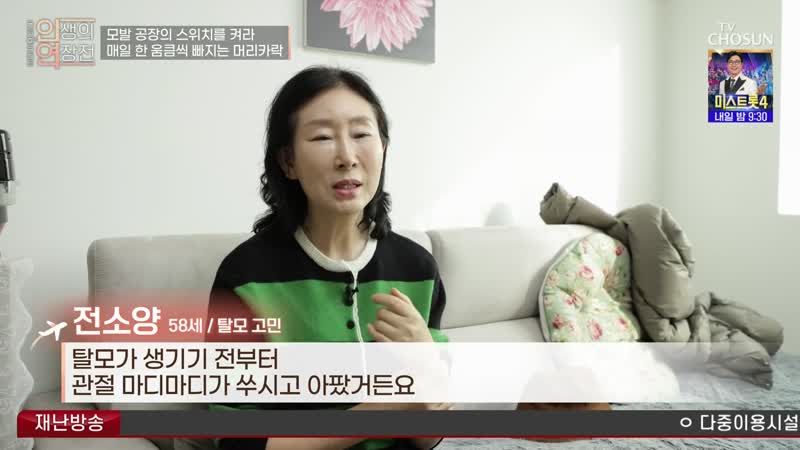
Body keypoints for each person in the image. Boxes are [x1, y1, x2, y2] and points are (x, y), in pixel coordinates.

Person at [205, 66, 450, 450]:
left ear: (383, 148)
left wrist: (427, 365)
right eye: (322, 137)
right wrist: (383, 410)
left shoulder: (417, 268)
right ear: (288, 162)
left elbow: (428, 438)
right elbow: (236, 440)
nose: (347, 157)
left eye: (361, 134)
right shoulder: (246, 277)